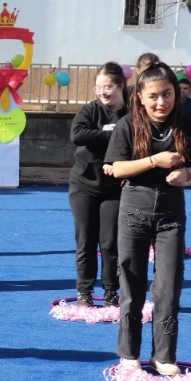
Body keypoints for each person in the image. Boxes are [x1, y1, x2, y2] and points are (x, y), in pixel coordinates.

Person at [104, 62, 191, 376]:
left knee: (168, 285)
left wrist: (187, 173)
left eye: (167, 94)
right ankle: (129, 354)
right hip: (134, 207)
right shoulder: (128, 126)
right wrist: (154, 161)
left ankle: (164, 356)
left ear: (176, 93)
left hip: (171, 213)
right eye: (154, 96)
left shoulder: (187, 125)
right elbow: (116, 168)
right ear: (140, 98)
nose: (161, 102)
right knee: (132, 283)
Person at [68, 63, 128, 307]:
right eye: (98, 87)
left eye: (108, 87)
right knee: (85, 240)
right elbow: (77, 135)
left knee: (110, 242)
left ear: (120, 86)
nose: (103, 92)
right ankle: (85, 291)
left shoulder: (131, 114)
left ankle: (112, 291)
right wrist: (114, 135)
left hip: (114, 188)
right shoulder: (90, 110)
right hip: (84, 184)